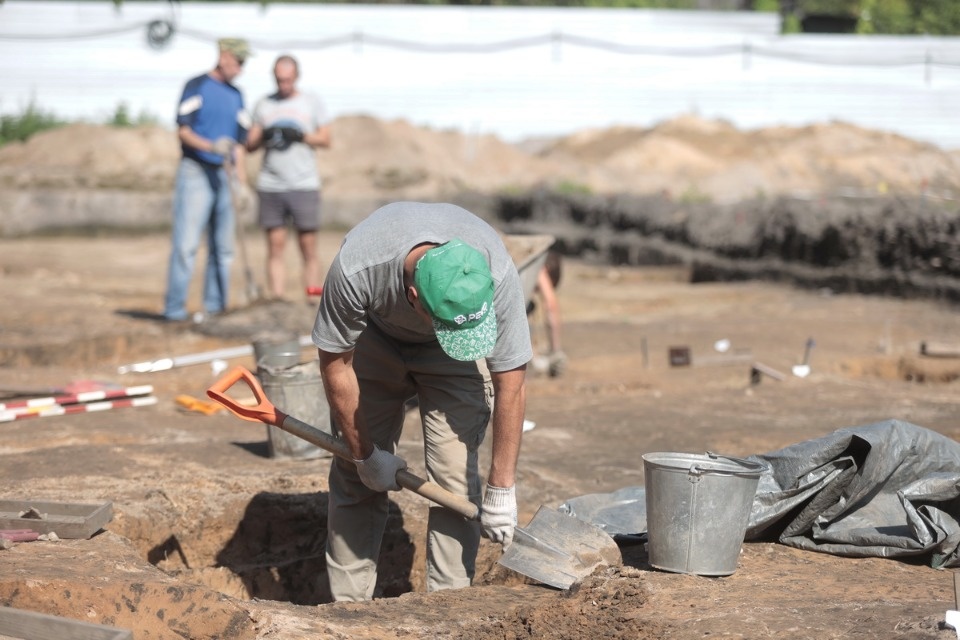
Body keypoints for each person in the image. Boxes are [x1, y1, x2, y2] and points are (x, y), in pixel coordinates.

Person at [312, 201, 532, 601]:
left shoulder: (494, 272)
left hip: (449, 356)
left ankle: (448, 605)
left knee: (453, 477)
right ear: (413, 295)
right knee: (355, 475)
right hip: (375, 336)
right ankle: (348, 609)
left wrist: (502, 487)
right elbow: (336, 364)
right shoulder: (358, 267)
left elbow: (511, 382)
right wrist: (364, 455)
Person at [163, 38, 253, 323]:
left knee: (223, 248)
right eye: (238, 62)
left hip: (225, 174)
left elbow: (239, 143)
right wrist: (210, 146)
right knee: (186, 245)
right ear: (224, 56)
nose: (240, 68)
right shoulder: (197, 86)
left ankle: (215, 308)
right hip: (196, 171)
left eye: (243, 63)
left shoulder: (237, 95)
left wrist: (242, 183)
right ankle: (175, 311)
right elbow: (183, 130)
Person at [245, 54, 331, 302]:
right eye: (279, 80)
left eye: (288, 80)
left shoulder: (311, 103)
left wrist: (300, 136)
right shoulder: (263, 105)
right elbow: (250, 144)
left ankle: (312, 298)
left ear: (296, 77)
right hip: (271, 185)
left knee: (308, 246)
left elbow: (325, 139)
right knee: (275, 245)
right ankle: (278, 299)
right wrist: (263, 135)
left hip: (303, 184)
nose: (283, 85)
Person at [530, 250, 567, 377]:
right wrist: (556, 351)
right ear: (547, 269)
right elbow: (550, 305)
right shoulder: (539, 268)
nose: (535, 292)